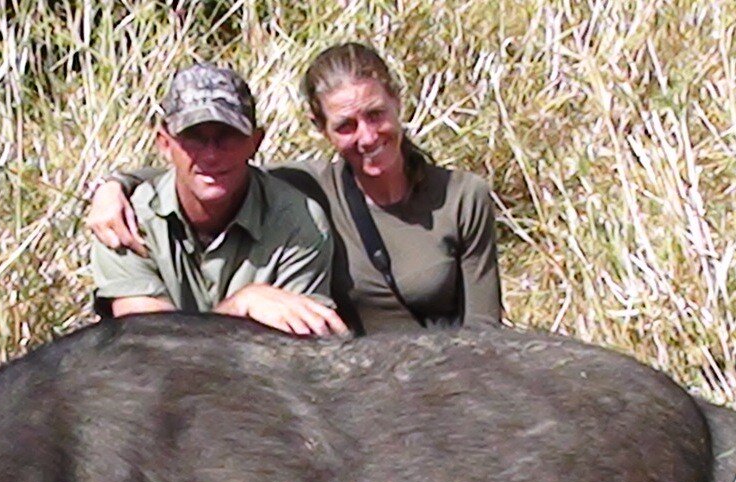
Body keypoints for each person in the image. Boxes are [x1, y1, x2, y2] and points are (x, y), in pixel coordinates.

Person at [88, 43, 504, 335]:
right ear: (320, 129)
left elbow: (485, 332)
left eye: (376, 114)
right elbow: (209, 178)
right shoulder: (309, 189)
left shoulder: (462, 197)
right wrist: (112, 185)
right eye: (345, 125)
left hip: (440, 381)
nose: (367, 136)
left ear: (398, 102)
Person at [90, 62, 348, 337]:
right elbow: (151, 349)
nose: (211, 155)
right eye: (193, 137)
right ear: (165, 144)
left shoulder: (298, 221)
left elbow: (294, 352)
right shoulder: (124, 221)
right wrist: (241, 306)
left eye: (228, 135)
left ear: (255, 142)